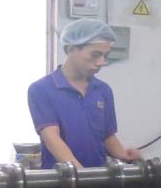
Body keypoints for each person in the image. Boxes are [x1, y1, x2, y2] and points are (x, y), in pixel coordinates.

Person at [27, 18, 140, 168]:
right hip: (61, 178)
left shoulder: (103, 90)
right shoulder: (42, 89)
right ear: (70, 49)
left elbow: (107, 136)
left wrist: (123, 155)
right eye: (95, 55)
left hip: (98, 176)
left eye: (105, 56)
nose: (101, 62)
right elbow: (51, 136)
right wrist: (79, 173)